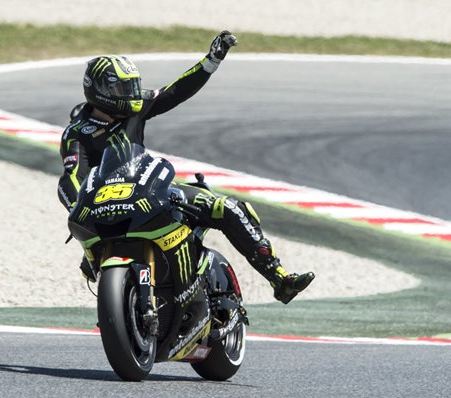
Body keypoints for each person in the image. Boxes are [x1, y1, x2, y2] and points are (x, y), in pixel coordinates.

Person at [57, 31, 315, 304]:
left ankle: (279, 277)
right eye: (124, 89)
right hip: (108, 207)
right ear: (100, 91)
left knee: (228, 207)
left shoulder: (136, 106)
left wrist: (211, 61)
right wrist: (79, 209)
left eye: (133, 86)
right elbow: (72, 178)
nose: (132, 94)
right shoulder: (77, 134)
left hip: (148, 190)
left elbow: (174, 92)